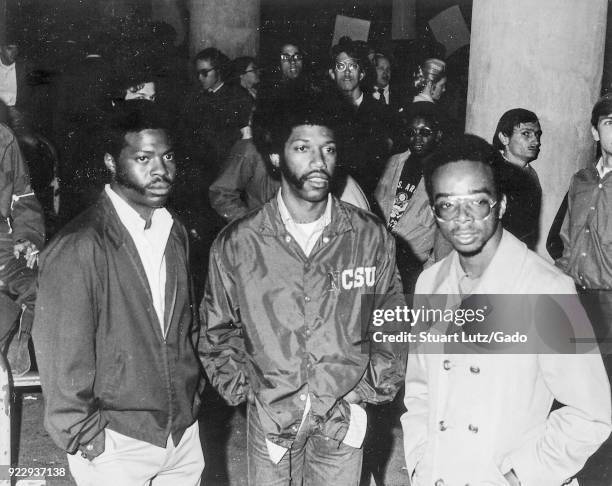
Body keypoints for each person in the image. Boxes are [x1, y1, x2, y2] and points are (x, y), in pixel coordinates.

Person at [200, 96, 405, 485]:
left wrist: (363, 393)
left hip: (343, 417)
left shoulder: (369, 236)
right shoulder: (238, 243)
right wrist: (251, 395)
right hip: (272, 418)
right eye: (302, 148)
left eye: (328, 149)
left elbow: (392, 323)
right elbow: (216, 332)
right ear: (276, 158)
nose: (318, 161)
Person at [402, 134, 611, 485]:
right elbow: (420, 391)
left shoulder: (548, 288)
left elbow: (591, 413)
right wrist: (421, 463)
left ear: (500, 204)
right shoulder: (430, 283)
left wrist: (518, 476)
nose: (462, 218)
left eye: (477, 201)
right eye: (447, 205)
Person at [33, 101, 205, 485]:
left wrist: (192, 400)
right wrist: (82, 433)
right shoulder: (81, 245)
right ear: (111, 162)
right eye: (144, 158)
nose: (161, 170)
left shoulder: (173, 232)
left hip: (181, 436)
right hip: (116, 443)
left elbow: (185, 328)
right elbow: (62, 354)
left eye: (168, 156)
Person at [558, 95, 612, 370]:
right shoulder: (581, 180)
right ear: (595, 131)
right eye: (610, 122)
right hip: (574, 295)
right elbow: (567, 236)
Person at [375, 103, 442, 291]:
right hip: (378, 261)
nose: (417, 139)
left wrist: (425, 278)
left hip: (413, 272)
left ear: (438, 135)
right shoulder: (394, 162)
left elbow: (443, 238)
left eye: (425, 132)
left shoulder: (443, 174)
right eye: (411, 132)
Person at [0, 115, 44, 376]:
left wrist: (27, 238)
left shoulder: (3, 139)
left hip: (2, 248)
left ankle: (17, 342)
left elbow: (23, 196)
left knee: (45, 286)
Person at [328, 39, 391, 203]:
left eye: (353, 66)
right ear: (332, 73)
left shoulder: (380, 112)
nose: (347, 72)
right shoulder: (324, 112)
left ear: (361, 74)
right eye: (341, 66)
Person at [492, 108, 543, 249]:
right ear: (504, 138)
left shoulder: (531, 175)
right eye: (526, 134)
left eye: (537, 135)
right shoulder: (489, 172)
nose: (536, 141)